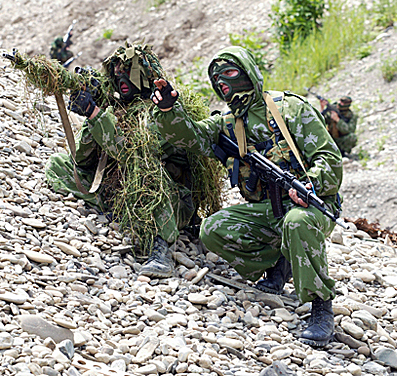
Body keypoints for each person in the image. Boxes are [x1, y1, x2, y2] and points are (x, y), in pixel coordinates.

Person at [151, 46, 343, 347]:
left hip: (311, 206)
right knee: (212, 230)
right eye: (217, 79)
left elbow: (330, 158)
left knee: (297, 223)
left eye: (229, 73)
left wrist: (310, 185)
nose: (223, 83)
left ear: (249, 73)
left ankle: (321, 307)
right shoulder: (227, 122)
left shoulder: (290, 108)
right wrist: (167, 111)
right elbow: (190, 137)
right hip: (268, 209)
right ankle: (280, 262)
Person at [45, 43, 204, 278]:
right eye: (116, 71)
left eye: (127, 70)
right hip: (121, 187)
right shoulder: (118, 108)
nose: (120, 77)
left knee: (150, 180)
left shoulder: (163, 110)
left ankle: (160, 249)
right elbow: (82, 160)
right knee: (60, 164)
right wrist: (94, 112)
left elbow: (133, 153)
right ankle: (119, 210)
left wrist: (95, 113)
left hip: (168, 199)